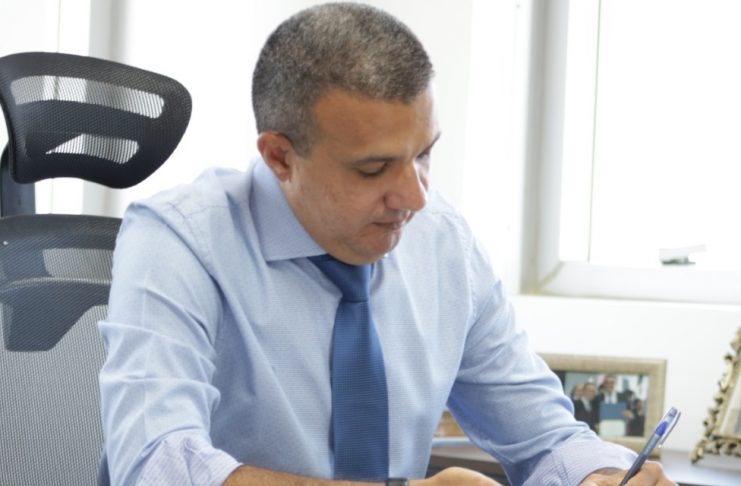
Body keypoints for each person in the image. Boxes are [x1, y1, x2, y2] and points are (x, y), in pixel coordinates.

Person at [98, 3, 675, 485]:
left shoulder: (443, 241)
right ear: (279, 157)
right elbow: (157, 464)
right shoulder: (179, 240)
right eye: (373, 169)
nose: (415, 197)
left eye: (424, 155)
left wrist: (598, 474)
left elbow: (545, 436)